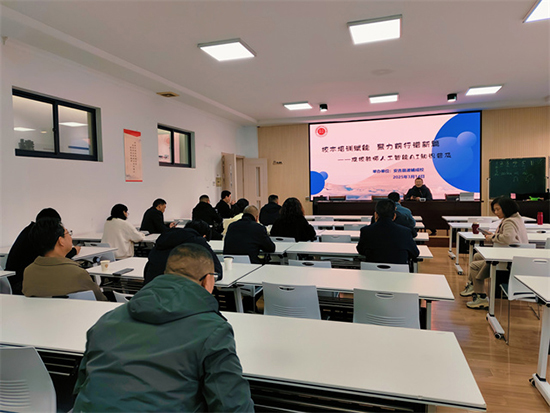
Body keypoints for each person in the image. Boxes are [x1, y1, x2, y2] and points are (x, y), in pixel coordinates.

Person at [72, 244, 254, 412]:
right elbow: (233, 406)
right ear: (208, 280)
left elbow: (82, 383)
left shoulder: (106, 321)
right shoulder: (213, 331)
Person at [461, 197, 528, 309]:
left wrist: (492, 237)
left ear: (506, 208)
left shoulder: (509, 222)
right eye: (494, 210)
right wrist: (493, 235)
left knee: (474, 266)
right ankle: (473, 285)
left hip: (508, 260)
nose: (496, 212)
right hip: (513, 255)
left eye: (498, 209)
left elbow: (508, 238)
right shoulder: (516, 218)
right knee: (477, 256)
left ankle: (481, 297)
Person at [22, 218, 107, 301]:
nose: (70, 237)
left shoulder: (28, 272)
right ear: (61, 241)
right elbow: (101, 300)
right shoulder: (77, 273)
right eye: (67, 233)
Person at [5, 208, 80, 295]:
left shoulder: (29, 232)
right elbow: (53, 257)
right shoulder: (38, 236)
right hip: (21, 284)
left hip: (17, 280)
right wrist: (73, 251)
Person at [144, 219, 222, 285]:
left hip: (150, 287)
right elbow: (217, 269)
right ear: (204, 236)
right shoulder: (197, 240)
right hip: (175, 291)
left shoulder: (164, 237)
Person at [356, 199, 419, 266]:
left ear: (376, 215)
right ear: (394, 216)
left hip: (372, 271)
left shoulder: (366, 231)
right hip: (399, 272)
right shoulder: (405, 232)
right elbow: (415, 253)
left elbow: (360, 250)